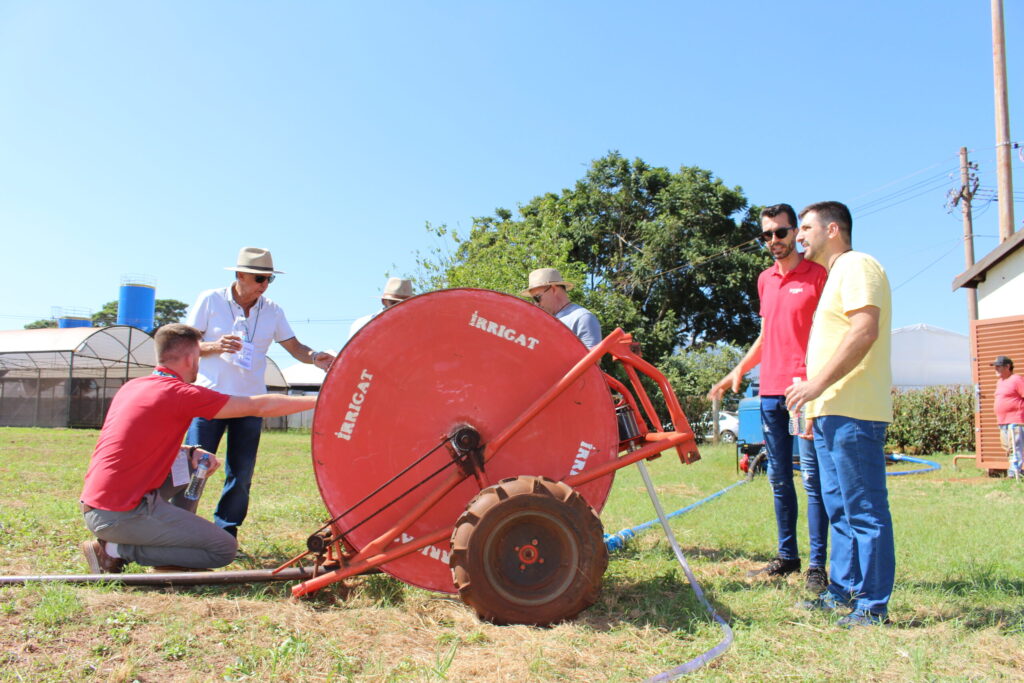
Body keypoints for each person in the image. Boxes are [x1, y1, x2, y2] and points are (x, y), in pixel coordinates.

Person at [79, 324, 318, 573]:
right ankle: (113, 551)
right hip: (120, 514)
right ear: (191, 358)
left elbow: (134, 439)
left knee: (191, 462)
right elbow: (259, 406)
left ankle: (162, 529)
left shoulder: (134, 387)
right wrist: (320, 400)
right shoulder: (179, 393)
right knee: (222, 549)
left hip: (97, 504)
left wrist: (189, 451)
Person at [708, 203, 829, 593]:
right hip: (771, 392)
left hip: (804, 392)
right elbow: (767, 333)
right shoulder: (764, 280)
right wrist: (738, 370)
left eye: (781, 232)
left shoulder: (819, 275)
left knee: (812, 478)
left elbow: (830, 331)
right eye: (767, 235)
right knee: (778, 478)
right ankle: (787, 557)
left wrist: (818, 384)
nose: (774, 241)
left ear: (796, 232)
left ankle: (818, 566)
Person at [784, 201, 894, 628]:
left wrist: (816, 386)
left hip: (855, 412)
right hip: (831, 412)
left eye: (806, 227)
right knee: (841, 509)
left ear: (833, 229)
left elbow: (864, 330)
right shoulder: (834, 278)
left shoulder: (858, 265)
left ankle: (872, 606)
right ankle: (841, 591)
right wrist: (814, 407)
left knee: (864, 509)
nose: (798, 236)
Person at [185, 247, 335, 538]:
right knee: (196, 469)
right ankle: (179, 526)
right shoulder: (210, 300)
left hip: (251, 403)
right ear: (240, 274)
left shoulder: (273, 310)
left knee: (241, 475)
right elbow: (186, 345)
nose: (264, 285)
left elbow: (295, 347)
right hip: (210, 400)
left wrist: (316, 356)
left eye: (269, 279)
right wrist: (216, 346)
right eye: (259, 277)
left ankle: (226, 533)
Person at [522, 268, 602, 349]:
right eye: (533, 300)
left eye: (537, 298)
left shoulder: (582, 318)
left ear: (553, 289)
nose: (536, 304)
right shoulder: (544, 320)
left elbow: (593, 360)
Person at [348, 277, 414, 339]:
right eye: (394, 303)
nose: (398, 307)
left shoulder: (414, 329)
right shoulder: (361, 324)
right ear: (384, 301)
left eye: (404, 304)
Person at [991, 355, 1024, 479]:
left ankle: (1014, 473)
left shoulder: (1016, 379)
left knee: (1016, 447)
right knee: (1008, 448)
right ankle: (1015, 470)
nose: (996, 369)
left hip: (1015, 420)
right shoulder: (1000, 382)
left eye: (998, 366)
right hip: (1002, 422)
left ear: (1008, 367)